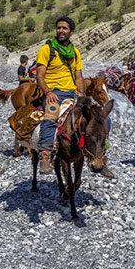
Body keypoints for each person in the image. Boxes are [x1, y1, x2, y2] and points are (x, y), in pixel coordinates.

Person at [36, 16, 85, 174]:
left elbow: (78, 76)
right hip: (54, 92)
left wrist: (81, 94)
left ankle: (98, 155)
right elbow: (40, 75)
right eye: (59, 28)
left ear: (71, 31)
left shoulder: (75, 53)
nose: (61, 31)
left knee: (92, 117)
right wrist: (48, 92)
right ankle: (45, 154)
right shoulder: (47, 49)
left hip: (72, 92)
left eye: (65, 28)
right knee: (51, 114)